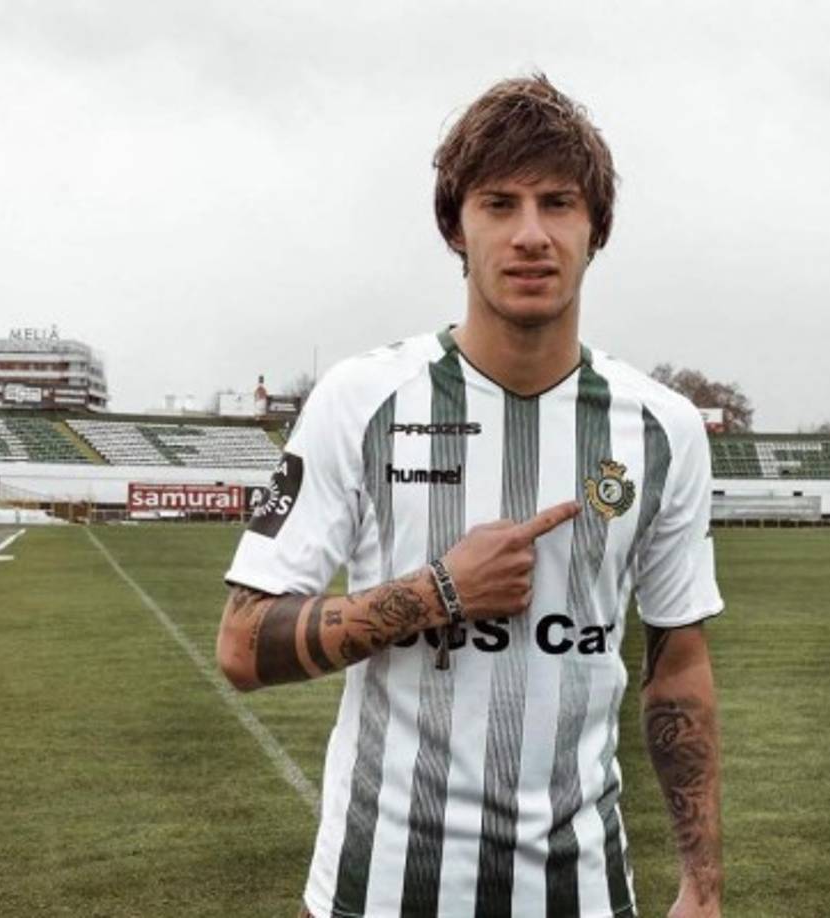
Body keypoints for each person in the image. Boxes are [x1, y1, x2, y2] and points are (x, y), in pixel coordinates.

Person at [217, 74, 724, 918]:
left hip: (580, 892)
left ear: (595, 228)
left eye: (557, 203)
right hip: (376, 892)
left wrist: (702, 885)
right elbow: (241, 644)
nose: (530, 235)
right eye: (498, 204)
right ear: (455, 226)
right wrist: (439, 591)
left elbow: (679, 666)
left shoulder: (661, 428)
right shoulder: (361, 400)